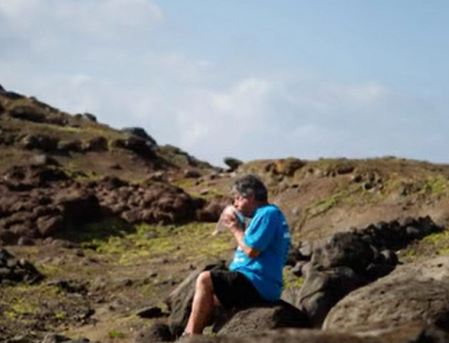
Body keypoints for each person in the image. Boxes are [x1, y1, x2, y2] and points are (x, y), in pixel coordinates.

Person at [183, 174, 291, 335]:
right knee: (209, 299)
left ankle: (191, 336)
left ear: (251, 196)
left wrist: (235, 229)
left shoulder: (268, 214)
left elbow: (252, 250)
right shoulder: (261, 216)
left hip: (257, 282)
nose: (235, 204)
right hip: (252, 280)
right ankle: (196, 332)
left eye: (238, 198)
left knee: (205, 279)